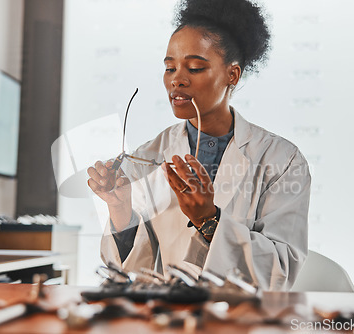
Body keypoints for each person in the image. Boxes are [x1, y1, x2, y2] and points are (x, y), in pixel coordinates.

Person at [87, 0, 311, 291]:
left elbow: (281, 269)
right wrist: (121, 211)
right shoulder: (147, 156)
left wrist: (209, 220)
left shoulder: (282, 160)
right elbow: (132, 273)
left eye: (194, 67)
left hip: (243, 319)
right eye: (169, 68)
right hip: (170, 318)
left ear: (233, 74)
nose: (176, 80)